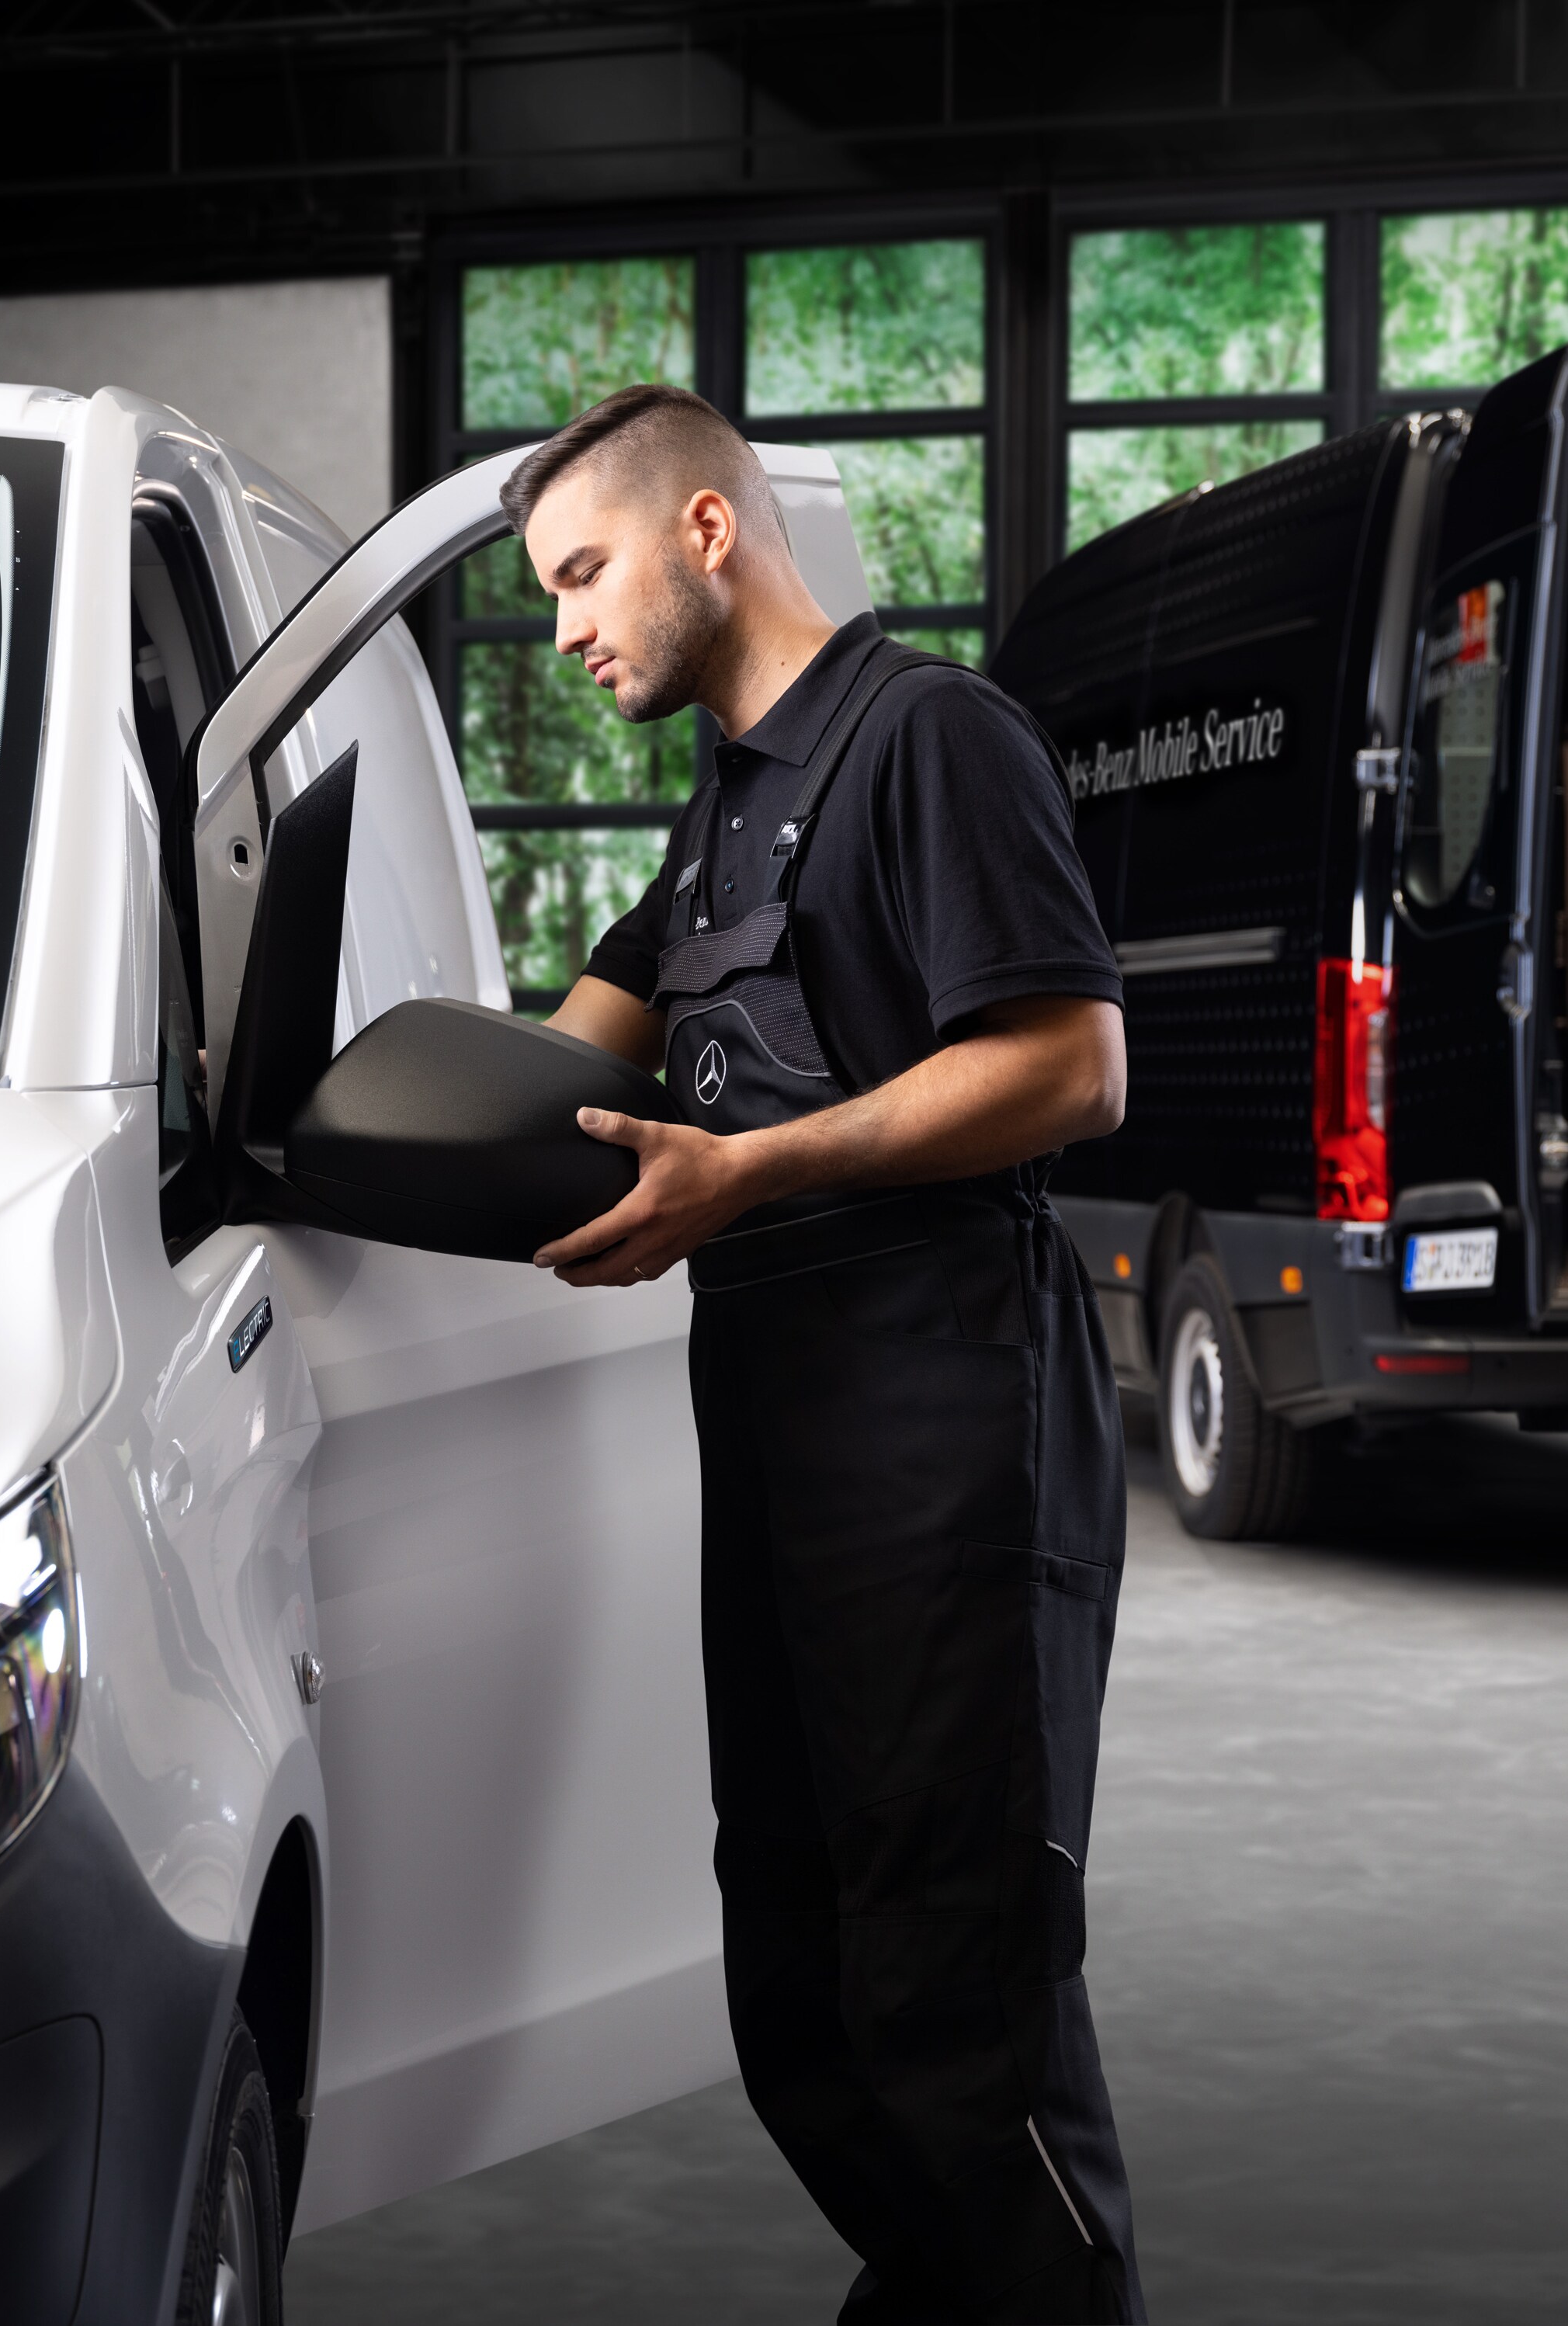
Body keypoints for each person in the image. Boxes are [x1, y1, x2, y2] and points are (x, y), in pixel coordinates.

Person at [506, 384, 1144, 2326]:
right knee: (804, 1988)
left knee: (957, 2003)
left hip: (948, 1444)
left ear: (708, 528)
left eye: (581, 572)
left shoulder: (925, 739)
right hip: (786, 1462)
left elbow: (1070, 1065)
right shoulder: (714, 820)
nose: (561, 631)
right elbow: (550, 1067)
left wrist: (756, 1166)